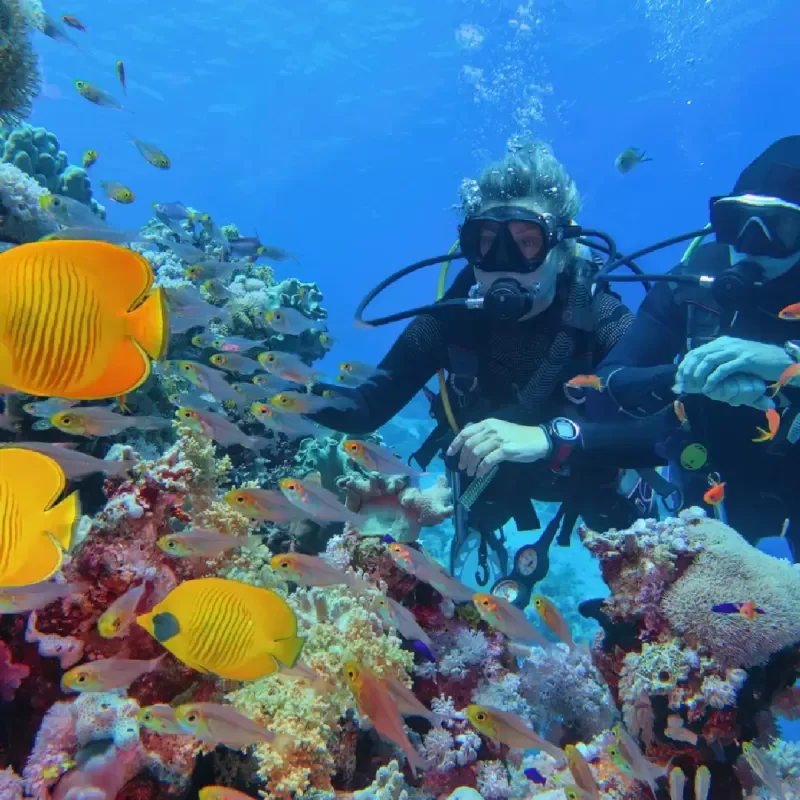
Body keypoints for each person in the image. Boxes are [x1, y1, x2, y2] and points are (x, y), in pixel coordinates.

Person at [310, 139, 666, 599]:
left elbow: (668, 425)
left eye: (526, 244)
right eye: (486, 245)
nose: (503, 267)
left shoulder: (600, 316)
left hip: (589, 473)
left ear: (560, 249)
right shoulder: (450, 318)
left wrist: (551, 438)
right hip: (495, 479)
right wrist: (275, 391)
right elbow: (365, 407)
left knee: (642, 558)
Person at [581, 136, 800, 558]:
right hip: (709, 495)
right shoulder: (692, 284)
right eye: (739, 222)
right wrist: (687, 376)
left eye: (781, 225)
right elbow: (608, 381)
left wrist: (786, 363)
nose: (752, 242)